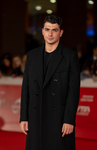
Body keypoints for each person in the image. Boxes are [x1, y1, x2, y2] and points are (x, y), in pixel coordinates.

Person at [20, 15, 80, 150]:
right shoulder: (32, 56)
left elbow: (73, 91)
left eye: (55, 30)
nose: (50, 34)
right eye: (47, 29)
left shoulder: (69, 56)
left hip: (58, 118)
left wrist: (69, 120)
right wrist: (24, 117)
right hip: (36, 116)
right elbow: (26, 87)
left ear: (61, 32)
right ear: (42, 31)